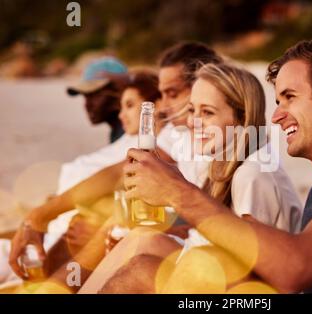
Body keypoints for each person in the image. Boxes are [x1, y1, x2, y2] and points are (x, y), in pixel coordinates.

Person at [99, 37, 312, 294]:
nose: (276, 115)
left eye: (290, 97)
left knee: (148, 273)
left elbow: (297, 266)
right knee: (153, 258)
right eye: (277, 101)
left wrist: (176, 191)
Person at [7, 42, 224, 291]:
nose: (162, 105)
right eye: (161, 94)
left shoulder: (214, 144)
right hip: (174, 240)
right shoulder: (179, 133)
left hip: (192, 255)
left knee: (111, 223)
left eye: (172, 94)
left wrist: (42, 215)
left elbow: (122, 173)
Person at [79, 63, 302, 294]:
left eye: (207, 112)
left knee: (138, 269)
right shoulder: (222, 165)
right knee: (142, 239)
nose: (192, 122)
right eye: (192, 110)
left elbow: (250, 269)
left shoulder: (253, 174)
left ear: (242, 118)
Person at [6, 70, 161, 286]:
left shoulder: (152, 144)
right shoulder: (126, 136)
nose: (87, 103)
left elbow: (119, 178)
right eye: (85, 97)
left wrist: (40, 217)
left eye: (95, 95)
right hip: (51, 237)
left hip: (59, 243)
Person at [67, 57, 128, 143]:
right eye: (85, 97)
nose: (87, 105)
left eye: (94, 96)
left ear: (120, 91)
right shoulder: (118, 132)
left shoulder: (129, 135)